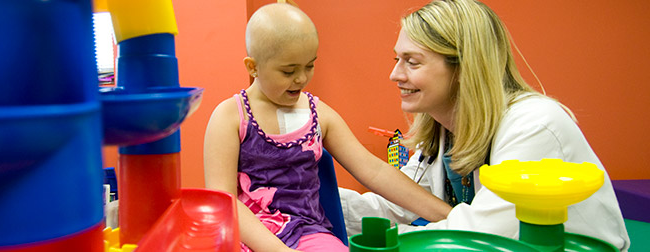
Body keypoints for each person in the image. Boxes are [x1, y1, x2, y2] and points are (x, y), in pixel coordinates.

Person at [338, 0, 630, 251]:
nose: (394, 74)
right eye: (397, 59)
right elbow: (396, 206)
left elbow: (479, 237)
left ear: (465, 67)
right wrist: (313, 201)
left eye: (412, 62)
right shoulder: (444, 132)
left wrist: (369, 241)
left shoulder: (534, 125)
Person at [203, 3, 452, 252]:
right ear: (253, 67)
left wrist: (450, 215)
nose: (301, 78)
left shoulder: (319, 115)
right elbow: (225, 201)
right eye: (288, 71)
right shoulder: (230, 117)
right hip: (243, 235)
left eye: (309, 66)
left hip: (307, 234)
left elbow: (374, 171)